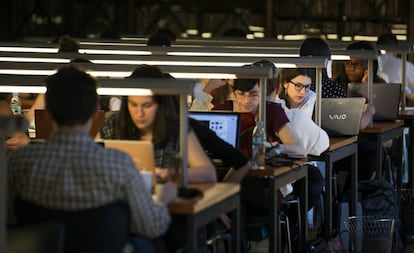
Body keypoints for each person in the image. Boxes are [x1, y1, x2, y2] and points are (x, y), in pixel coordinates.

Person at [7, 66, 177, 252]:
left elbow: (8, 221)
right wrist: (163, 200)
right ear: (96, 111)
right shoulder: (119, 164)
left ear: (47, 113)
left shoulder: (19, 162)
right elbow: (151, 227)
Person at [99, 65, 217, 184]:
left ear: (160, 105)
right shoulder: (113, 125)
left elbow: (208, 173)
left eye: (147, 105)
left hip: (164, 199)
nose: (139, 113)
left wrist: (169, 174)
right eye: (133, 105)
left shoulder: (177, 129)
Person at [377, 33, 414, 105]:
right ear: (396, 49)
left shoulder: (370, 63)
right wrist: (405, 93)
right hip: (398, 111)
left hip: (374, 110)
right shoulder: (406, 65)